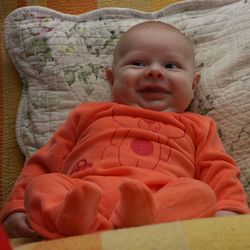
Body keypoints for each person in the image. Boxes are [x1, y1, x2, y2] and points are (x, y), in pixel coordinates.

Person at [1, 21, 249, 239]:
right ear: (111, 79)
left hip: (161, 196)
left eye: (171, 66)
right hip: (83, 194)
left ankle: (141, 215)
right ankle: (74, 218)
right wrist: (18, 205)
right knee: (44, 184)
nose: (154, 71)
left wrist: (230, 206)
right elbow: (45, 160)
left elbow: (218, 168)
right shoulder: (87, 114)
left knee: (200, 193)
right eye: (137, 63)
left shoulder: (198, 125)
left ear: (194, 85)